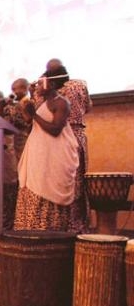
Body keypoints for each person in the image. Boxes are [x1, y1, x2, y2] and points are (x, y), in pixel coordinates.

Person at [14, 66, 79, 231]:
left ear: (52, 83)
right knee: (32, 188)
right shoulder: (43, 102)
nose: (37, 84)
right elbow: (33, 125)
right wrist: (29, 113)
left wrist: (34, 115)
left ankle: (47, 233)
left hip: (53, 156)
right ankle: (29, 232)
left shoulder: (61, 102)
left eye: (41, 81)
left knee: (44, 188)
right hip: (39, 155)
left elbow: (56, 129)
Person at [47, 58, 91, 232]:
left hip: (57, 138)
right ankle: (77, 226)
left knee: (60, 181)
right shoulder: (80, 86)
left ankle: (61, 225)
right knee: (78, 180)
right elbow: (89, 107)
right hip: (77, 135)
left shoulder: (46, 91)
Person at [0, 79, 34, 231]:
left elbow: (23, 122)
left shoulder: (29, 104)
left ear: (25, 89)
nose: (14, 92)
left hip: (24, 145)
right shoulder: (11, 105)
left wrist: (10, 109)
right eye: (12, 88)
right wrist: (1, 107)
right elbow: (2, 122)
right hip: (11, 149)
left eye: (17, 89)